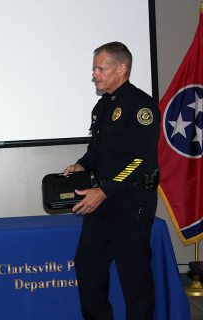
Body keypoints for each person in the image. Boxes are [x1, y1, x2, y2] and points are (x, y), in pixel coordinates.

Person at [63, 42, 160, 319]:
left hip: (131, 202)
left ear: (121, 68)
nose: (94, 74)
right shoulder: (103, 105)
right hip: (102, 200)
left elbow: (142, 160)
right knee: (88, 265)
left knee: (135, 277)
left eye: (100, 68)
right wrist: (81, 165)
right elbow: (98, 150)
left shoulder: (141, 106)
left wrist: (104, 191)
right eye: (94, 68)